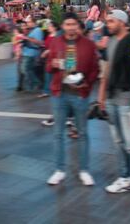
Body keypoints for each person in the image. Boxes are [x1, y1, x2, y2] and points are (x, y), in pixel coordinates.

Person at [98, 10, 130, 202]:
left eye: (111, 21)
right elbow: (107, 70)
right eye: (107, 21)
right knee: (119, 143)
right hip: (112, 99)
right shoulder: (111, 42)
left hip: (127, 100)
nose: (108, 24)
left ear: (122, 22)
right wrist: (101, 97)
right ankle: (125, 177)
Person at [45, 13, 99, 187]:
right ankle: (59, 170)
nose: (70, 27)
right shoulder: (56, 42)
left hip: (80, 95)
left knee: (83, 133)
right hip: (60, 93)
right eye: (67, 24)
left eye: (73, 24)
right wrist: (52, 65)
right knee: (58, 134)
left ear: (78, 26)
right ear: (63, 26)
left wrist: (86, 85)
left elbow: (94, 69)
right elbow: (48, 67)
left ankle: (84, 170)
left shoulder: (88, 45)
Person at [19, 18, 44, 92]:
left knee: (26, 70)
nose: (28, 24)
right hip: (27, 52)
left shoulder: (38, 30)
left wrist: (27, 38)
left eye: (29, 22)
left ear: (34, 22)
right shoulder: (31, 30)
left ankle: (37, 83)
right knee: (28, 70)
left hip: (31, 53)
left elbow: (39, 42)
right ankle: (33, 85)